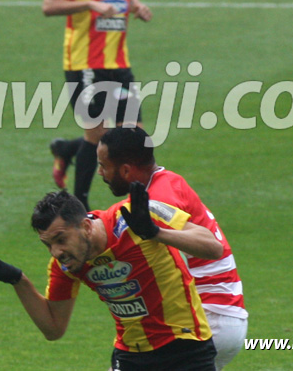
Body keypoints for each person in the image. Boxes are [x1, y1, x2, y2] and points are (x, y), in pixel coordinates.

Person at [0, 188, 223, 370]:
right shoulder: (67, 265)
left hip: (186, 348)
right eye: (48, 245)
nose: (56, 252)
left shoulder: (135, 215)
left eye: (61, 239)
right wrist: (18, 280)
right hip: (131, 355)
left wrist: (154, 232)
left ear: (86, 226)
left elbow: (213, 247)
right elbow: (53, 328)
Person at [97, 127, 249, 370]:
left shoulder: (157, 200)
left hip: (205, 316)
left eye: (104, 165)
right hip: (223, 314)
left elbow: (210, 248)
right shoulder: (167, 182)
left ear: (125, 170)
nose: (100, 172)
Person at [43, 0, 153, 211]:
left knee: (136, 138)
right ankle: (79, 209)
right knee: (97, 138)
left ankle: (66, 150)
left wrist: (137, 6)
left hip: (119, 61)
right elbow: (49, 5)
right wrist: (90, 3)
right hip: (84, 64)